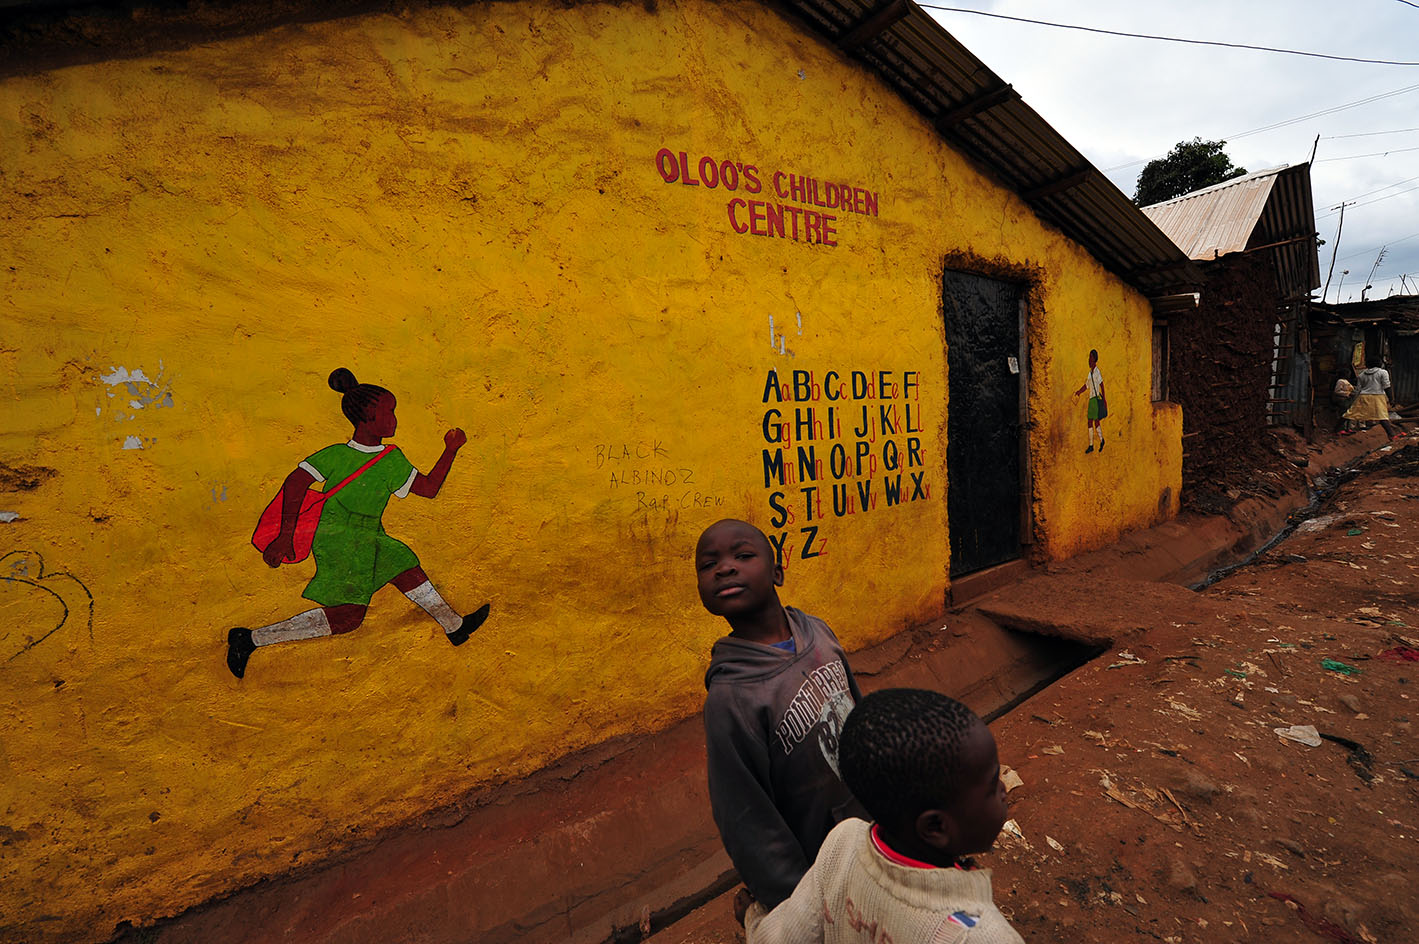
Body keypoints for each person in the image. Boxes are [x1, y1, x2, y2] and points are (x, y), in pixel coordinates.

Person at [226, 368, 490, 679]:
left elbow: (429, 488)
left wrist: (450, 451)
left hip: (371, 534)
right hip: (338, 537)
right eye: (389, 411)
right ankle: (250, 639)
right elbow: (295, 483)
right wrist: (285, 536)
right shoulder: (338, 455)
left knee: (405, 565)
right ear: (367, 416)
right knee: (349, 617)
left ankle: (454, 626)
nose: (394, 419)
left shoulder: (392, 459)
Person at [738, 688, 1022, 944]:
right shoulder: (980, 935)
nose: (1002, 789)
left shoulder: (842, 845)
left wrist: (753, 919)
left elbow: (783, 937)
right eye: (992, 785)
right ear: (935, 826)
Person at [696, 519, 866, 911]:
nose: (725, 568)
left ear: (777, 573)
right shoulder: (730, 698)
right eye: (708, 565)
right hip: (818, 873)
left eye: (743, 555)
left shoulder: (819, 633)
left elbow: (859, 717)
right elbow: (745, 817)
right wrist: (796, 903)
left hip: (872, 831)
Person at [1344, 352, 1401, 440]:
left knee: (1350, 414)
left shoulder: (1362, 374)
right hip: (1377, 397)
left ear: (1367, 364)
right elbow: (1387, 386)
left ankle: (1337, 430)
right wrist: (1391, 399)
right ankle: (1391, 435)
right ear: (1380, 364)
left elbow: (1358, 388)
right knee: (1382, 417)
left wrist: (1353, 397)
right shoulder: (1383, 372)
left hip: (1363, 396)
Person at [1072, 348, 1107, 453]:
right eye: (1089, 357)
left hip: (1095, 399)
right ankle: (1098, 442)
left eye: (1091, 357)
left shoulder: (1097, 372)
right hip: (1092, 400)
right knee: (1092, 421)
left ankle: (1097, 442)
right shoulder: (1090, 373)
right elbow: (1086, 385)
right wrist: (1079, 392)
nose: (1089, 360)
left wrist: (1104, 400)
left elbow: (1102, 385)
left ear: (1094, 359)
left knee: (1093, 421)